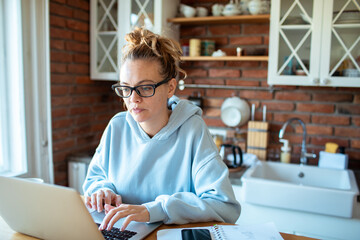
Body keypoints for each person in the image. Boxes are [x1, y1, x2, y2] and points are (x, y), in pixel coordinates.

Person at [83, 27, 241, 232]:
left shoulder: (193, 130)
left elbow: (225, 206)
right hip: (119, 232)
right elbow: (94, 180)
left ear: (170, 87)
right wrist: (102, 190)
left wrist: (154, 210)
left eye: (146, 87)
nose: (133, 99)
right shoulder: (117, 126)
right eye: (126, 88)